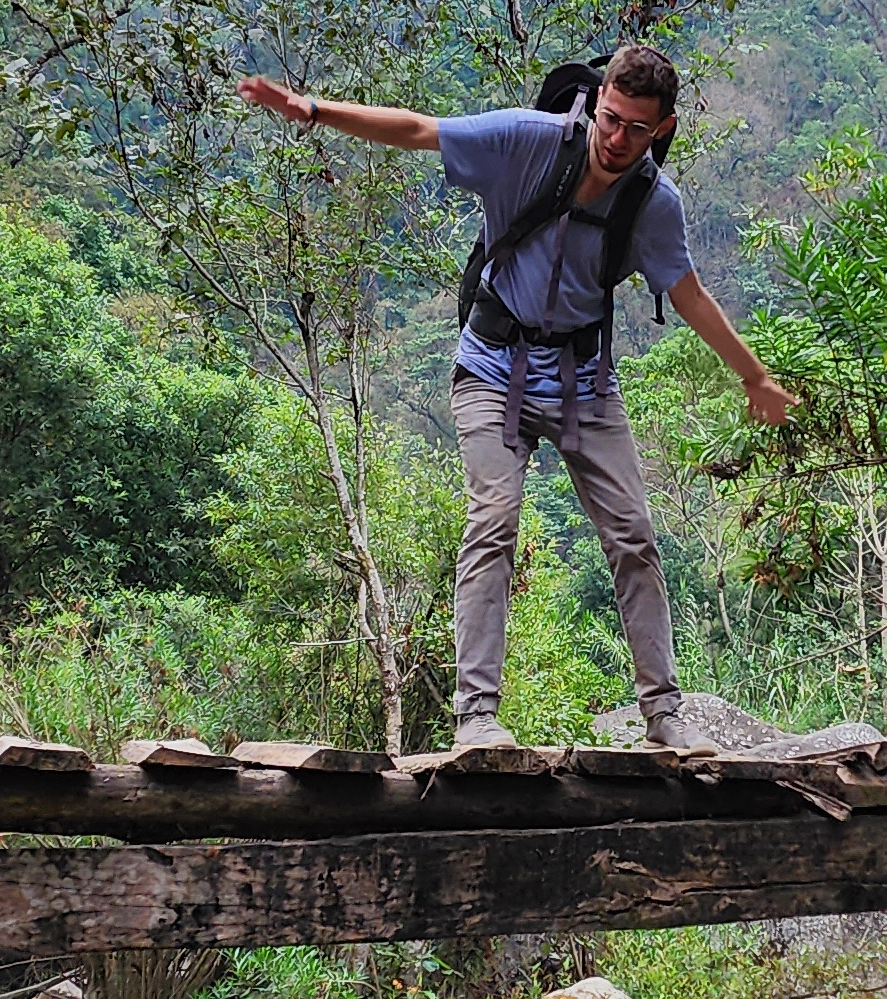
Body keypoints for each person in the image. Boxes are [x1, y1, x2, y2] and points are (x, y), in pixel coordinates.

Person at [235, 40, 799, 751]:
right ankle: (477, 720)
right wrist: (313, 110)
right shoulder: (528, 142)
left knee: (634, 538)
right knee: (494, 520)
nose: (618, 139)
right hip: (493, 366)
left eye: (637, 128)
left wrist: (753, 376)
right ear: (597, 102)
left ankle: (665, 715)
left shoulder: (654, 202)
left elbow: (686, 291)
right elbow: (417, 129)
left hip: (584, 382)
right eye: (611, 119)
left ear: (664, 128)